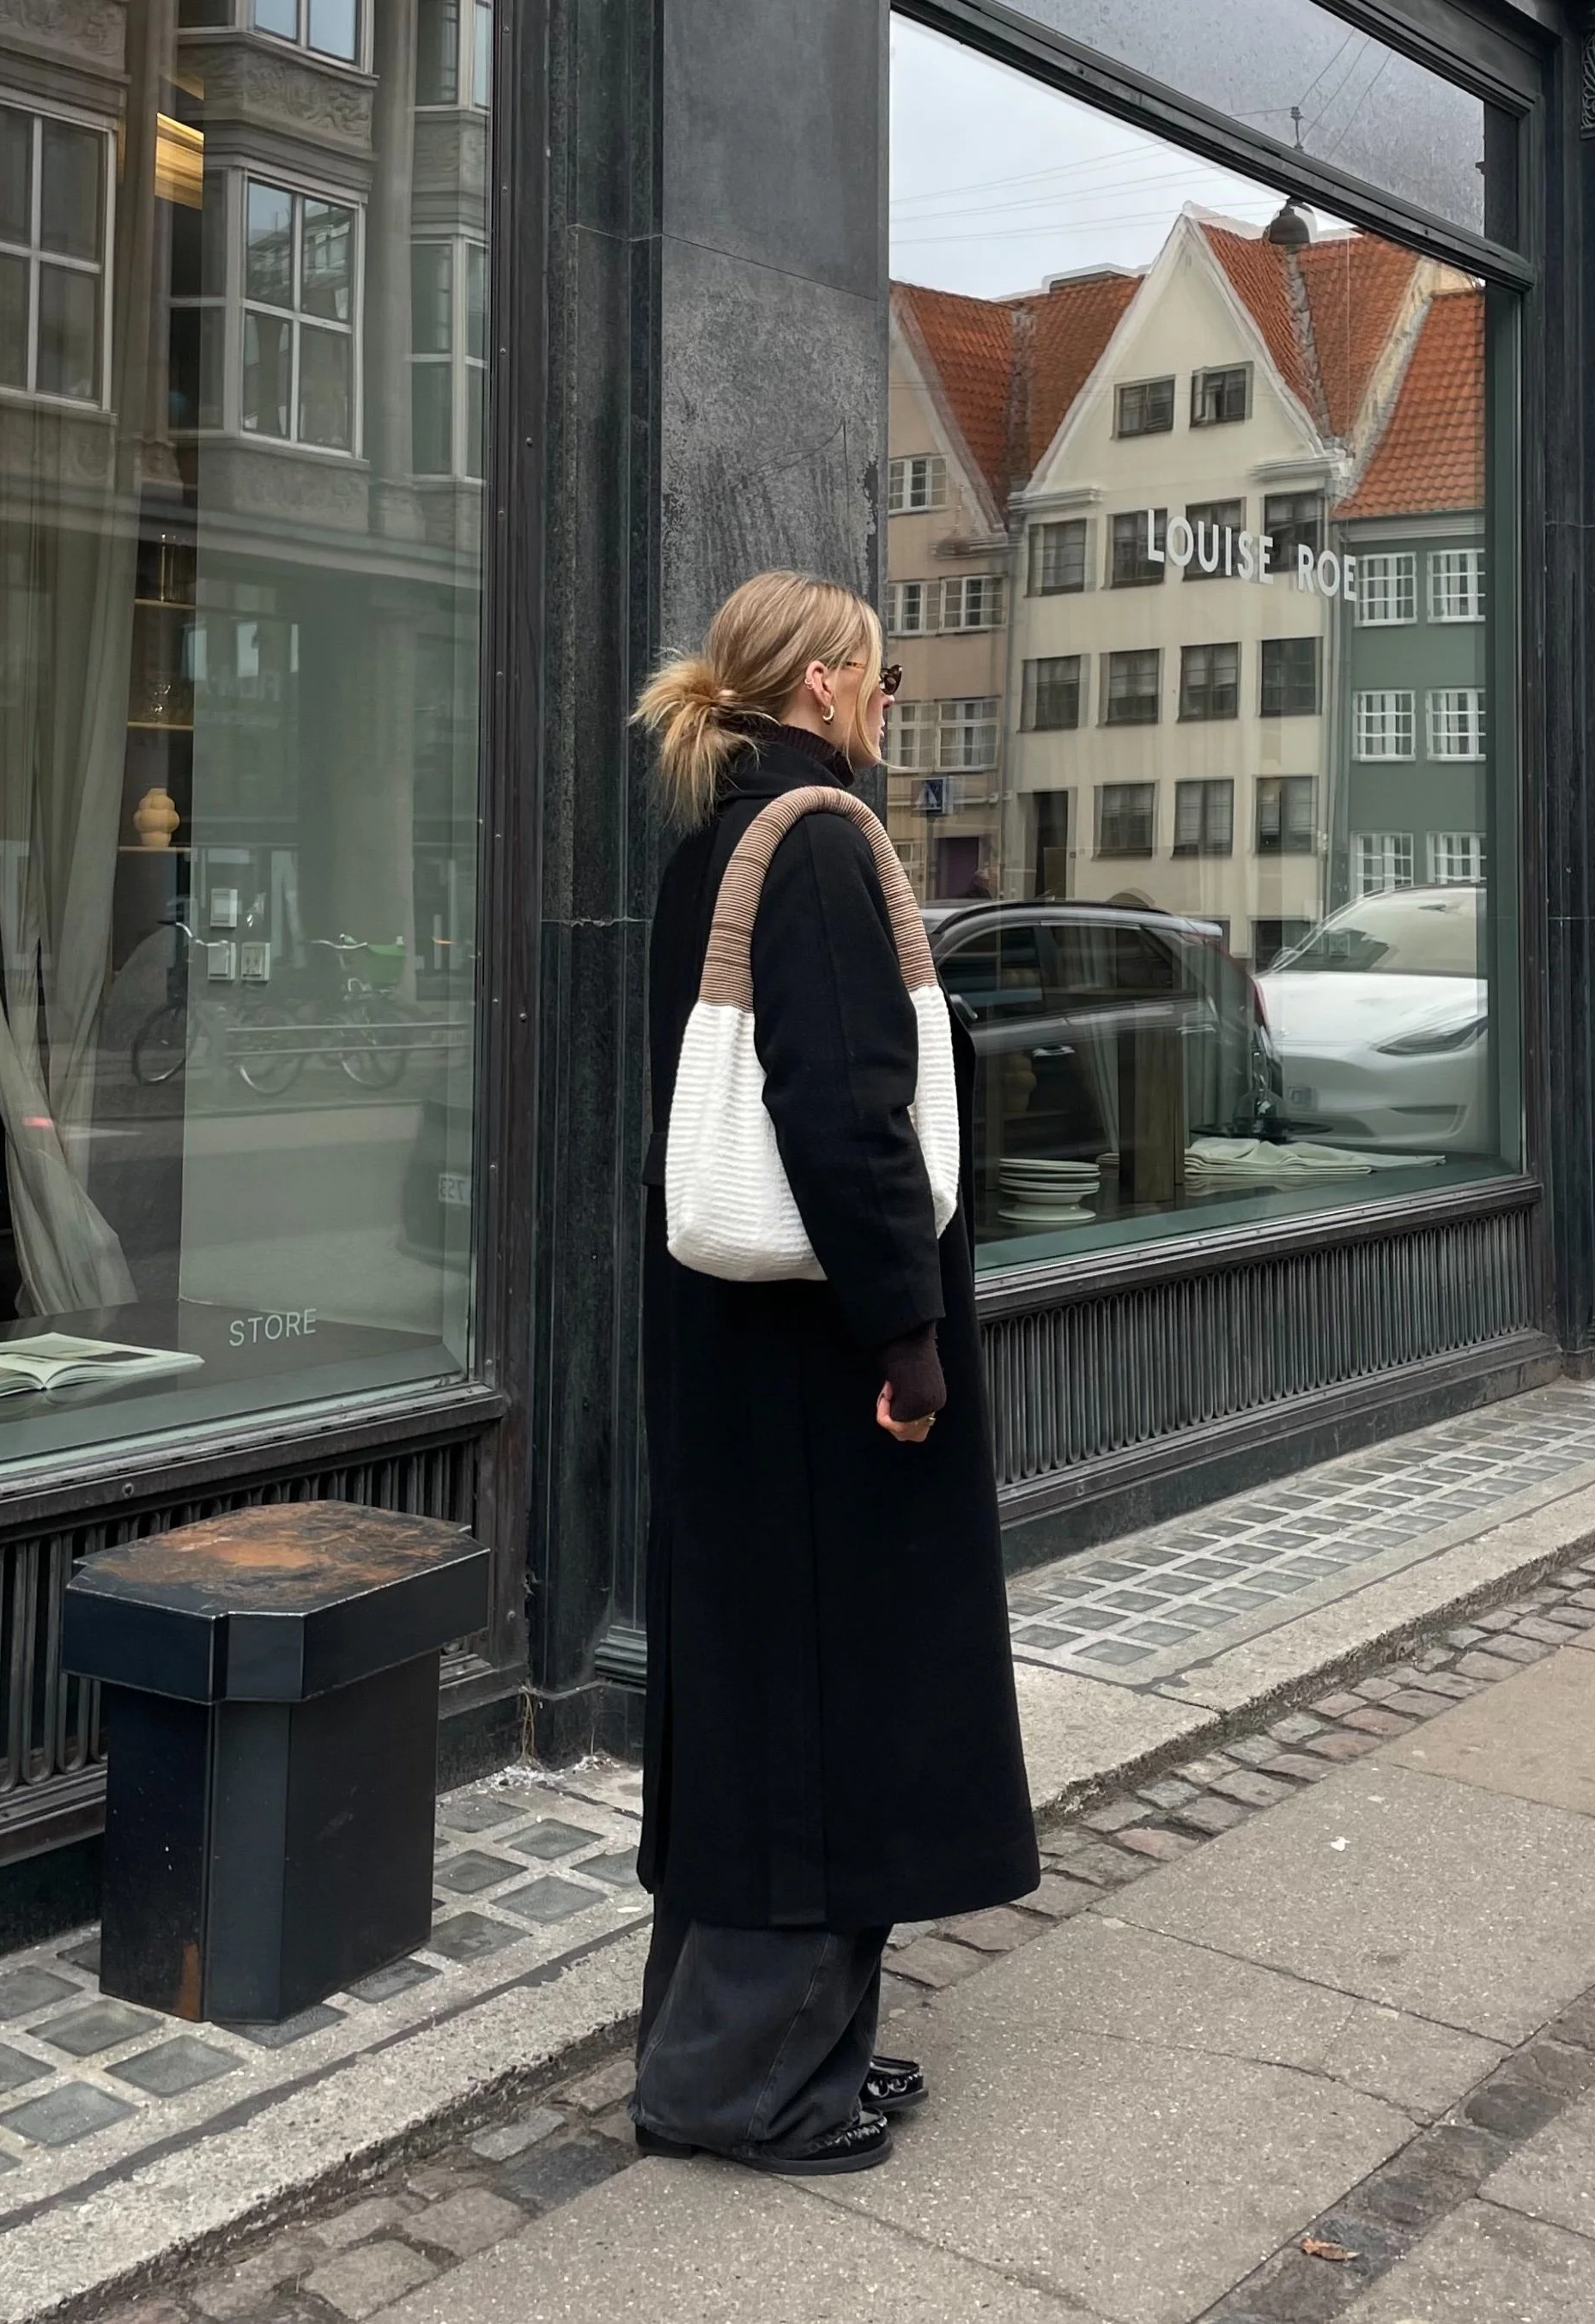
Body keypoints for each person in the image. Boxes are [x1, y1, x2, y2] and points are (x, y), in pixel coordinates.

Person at [628, 570, 1039, 2177]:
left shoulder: (719, 838)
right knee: (821, 1709)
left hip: (745, 1350)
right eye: (878, 673)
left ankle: (758, 2052)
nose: (886, 698)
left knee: (763, 1705)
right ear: (818, 681)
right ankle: (752, 2086)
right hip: (820, 1356)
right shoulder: (813, 841)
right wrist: (906, 1342)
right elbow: (847, 1105)